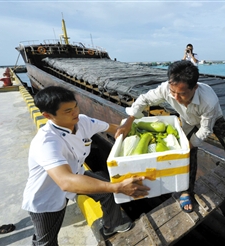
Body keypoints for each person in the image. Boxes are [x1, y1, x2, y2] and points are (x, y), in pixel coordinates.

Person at [22, 86, 150, 245]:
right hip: (47, 195)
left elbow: (115, 129)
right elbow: (65, 182)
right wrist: (117, 187)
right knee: (46, 242)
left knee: (107, 189)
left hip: (77, 173)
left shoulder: (82, 121)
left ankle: (112, 225)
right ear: (47, 115)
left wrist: (137, 126)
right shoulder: (46, 142)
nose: (75, 112)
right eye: (68, 111)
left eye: (75, 106)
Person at [116, 60, 225, 213]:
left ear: (194, 87)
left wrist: (187, 146)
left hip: (212, 119)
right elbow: (145, 99)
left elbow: (205, 130)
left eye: (182, 94)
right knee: (188, 158)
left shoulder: (209, 101)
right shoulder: (166, 88)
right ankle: (186, 191)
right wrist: (130, 120)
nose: (176, 98)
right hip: (187, 120)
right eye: (173, 93)